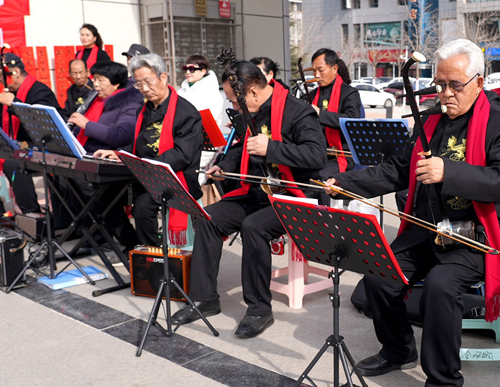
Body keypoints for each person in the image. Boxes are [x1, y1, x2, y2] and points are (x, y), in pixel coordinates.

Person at [324, 39, 500, 387]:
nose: (445, 93)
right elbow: (398, 171)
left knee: (440, 286)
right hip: (426, 231)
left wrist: (449, 171)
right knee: (379, 274)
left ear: (479, 83)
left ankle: (444, 385)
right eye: (440, 84)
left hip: (475, 238)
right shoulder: (429, 121)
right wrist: (345, 183)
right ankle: (398, 349)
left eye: (455, 85)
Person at [176, 58, 326, 333]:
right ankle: (204, 298)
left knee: (253, 227)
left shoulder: (298, 111)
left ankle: (259, 309)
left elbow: (317, 156)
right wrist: (225, 165)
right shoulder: (250, 111)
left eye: (235, 101)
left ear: (253, 92)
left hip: (293, 194)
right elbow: (242, 148)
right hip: (256, 191)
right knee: (208, 217)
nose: (233, 107)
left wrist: (272, 148)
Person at [93, 53, 203, 247]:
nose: (144, 89)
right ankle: (133, 246)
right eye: (138, 84)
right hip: (146, 173)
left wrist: (146, 166)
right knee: (104, 195)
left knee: (143, 207)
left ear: (163, 77)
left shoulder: (185, 113)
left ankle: (154, 254)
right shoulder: (145, 110)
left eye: (148, 81)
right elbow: (141, 145)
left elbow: (182, 155)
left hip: (174, 178)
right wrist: (119, 153)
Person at [60, 60, 143, 249]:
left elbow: (122, 134)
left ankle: (127, 240)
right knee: (63, 178)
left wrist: (86, 124)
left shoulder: (129, 102)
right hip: (87, 156)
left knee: (88, 188)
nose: (95, 84)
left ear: (116, 83)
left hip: (111, 161)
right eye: (94, 79)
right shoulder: (94, 99)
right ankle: (94, 233)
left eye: (100, 80)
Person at [0, 53, 62, 215]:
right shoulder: (11, 92)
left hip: (41, 145)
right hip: (16, 143)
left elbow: (43, 124)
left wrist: (14, 103)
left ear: (15, 72)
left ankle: (32, 213)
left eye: (0, 74)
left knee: (14, 163)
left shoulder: (39, 91)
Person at [309, 48, 363, 178]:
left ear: (334, 69)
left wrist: (320, 114)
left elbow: (352, 120)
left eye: (321, 70)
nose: (316, 75)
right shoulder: (312, 94)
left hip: (340, 155)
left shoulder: (349, 93)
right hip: (315, 154)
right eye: (314, 71)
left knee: (318, 177)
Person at [178, 54, 228, 186]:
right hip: (181, 141)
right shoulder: (181, 91)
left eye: (192, 69)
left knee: (195, 180)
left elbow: (207, 121)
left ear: (203, 70)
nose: (188, 72)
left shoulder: (212, 93)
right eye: (185, 68)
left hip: (204, 144)